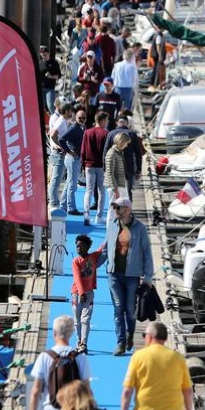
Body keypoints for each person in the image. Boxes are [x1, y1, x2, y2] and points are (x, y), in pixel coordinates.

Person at [105, 196, 153, 356]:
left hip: (132, 275)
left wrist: (148, 278)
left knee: (130, 309)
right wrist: (90, 264)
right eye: (114, 208)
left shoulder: (139, 228)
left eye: (118, 208)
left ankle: (130, 334)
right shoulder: (112, 226)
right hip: (113, 273)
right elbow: (106, 249)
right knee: (118, 308)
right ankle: (120, 342)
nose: (115, 211)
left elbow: (146, 252)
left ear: (127, 209)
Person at [71, 234, 107, 351]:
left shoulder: (93, 257)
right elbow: (77, 278)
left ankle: (84, 343)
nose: (79, 248)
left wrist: (111, 235)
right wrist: (81, 293)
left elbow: (102, 247)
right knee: (77, 321)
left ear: (87, 247)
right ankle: (78, 341)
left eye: (81, 246)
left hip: (89, 294)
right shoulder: (76, 261)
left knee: (85, 319)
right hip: (77, 295)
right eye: (77, 246)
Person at [81, 112, 111, 225]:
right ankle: (99, 216)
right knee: (101, 191)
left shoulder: (87, 132)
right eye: (106, 120)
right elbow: (107, 152)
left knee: (88, 190)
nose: (107, 122)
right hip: (100, 166)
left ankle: (86, 214)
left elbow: (83, 150)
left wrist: (83, 165)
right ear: (102, 120)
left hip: (89, 165)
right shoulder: (105, 133)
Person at [103, 117, 145, 197]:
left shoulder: (110, 134)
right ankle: (128, 209)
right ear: (127, 123)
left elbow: (105, 152)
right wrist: (139, 169)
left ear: (116, 122)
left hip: (114, 167)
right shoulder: (132, 135)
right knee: (127, 192)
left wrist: (105, 168)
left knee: (114, 194)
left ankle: (118, 208)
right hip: (128, 167)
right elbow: (138, 154)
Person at [57, 110, 86, 215]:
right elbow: (61, 139)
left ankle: (63, 205)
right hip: (72, 159)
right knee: (72, 185)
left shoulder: (81, 128)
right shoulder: (74, 128)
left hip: (75, 159)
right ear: (76, 118)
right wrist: (69, 151)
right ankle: (71, 207)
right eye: (80, 118)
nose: (82, 120)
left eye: (83, 118)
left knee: (69, 183)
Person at [46, 103, 71, 210]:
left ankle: (54, 201)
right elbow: (52, 134)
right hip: (58, 154)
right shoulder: (61, 122)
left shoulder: (62, 121)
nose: (71, 112)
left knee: (56, 180)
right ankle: (53, 203)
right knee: (55, 181)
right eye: (70, 110)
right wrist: (59, 146)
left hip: (58, 153)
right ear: (66, 111)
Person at [104, 132, 130, 209]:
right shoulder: (112, 153)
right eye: (126, 143)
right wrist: (115, 189)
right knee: (113, 208)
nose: (127, 145)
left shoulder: (118, 152)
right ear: (121, 142)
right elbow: (109, 173)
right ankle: (110, 221)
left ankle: (120, 221)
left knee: (124, 205)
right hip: (115, 185)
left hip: (120, 184)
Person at [41, 46, 62, 113]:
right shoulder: (40, 63)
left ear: (48, 53)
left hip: (49, 88)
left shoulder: (54, 63)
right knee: (42, 107)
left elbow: (59, 76)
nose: (44, 54)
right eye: (42, 53)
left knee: (50, 106)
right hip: (41, 87)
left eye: (45, 53)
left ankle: (54, 118)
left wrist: (51, 76)